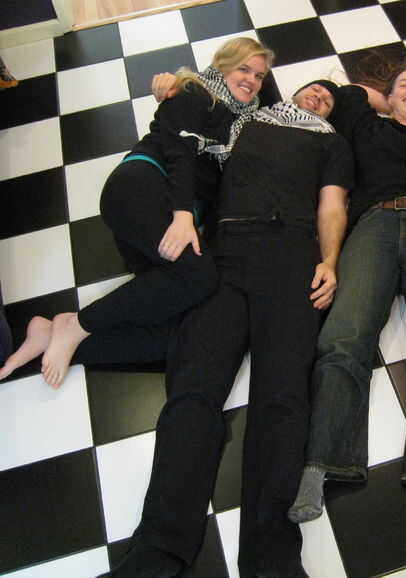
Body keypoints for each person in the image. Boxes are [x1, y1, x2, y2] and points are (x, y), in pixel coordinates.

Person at [97, 81, 353, 578]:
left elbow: (332, 205)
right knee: (191, 392)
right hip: (226, 250)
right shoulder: (245, 120)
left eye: (328, 99)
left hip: (294, 257)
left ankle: (272, 559)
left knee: (284, 399)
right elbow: (215, 91)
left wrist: (330, 260)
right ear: (288, 96)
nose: (319, 97)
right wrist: (176, 84)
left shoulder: (332, 143)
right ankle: (157, 552)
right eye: (312, 89)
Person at [0, 37, 273, 386]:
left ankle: (53, 336)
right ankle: (75, 324)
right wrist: (182, 215)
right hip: (144, 187)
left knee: (174, 322)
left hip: (165, 213)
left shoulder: (244, 122)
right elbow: (180, 152)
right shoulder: (196, 92)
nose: (252, 80)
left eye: (260, 75)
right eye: (243, 69)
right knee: (201, 278)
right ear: (223, 66)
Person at [288, 59, 406, 538]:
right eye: (402, 85)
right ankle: (320, 465)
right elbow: (345, 93)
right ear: (387, 97)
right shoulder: (367, 127)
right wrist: (384, 97)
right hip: (373, 225)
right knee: (342, 338)